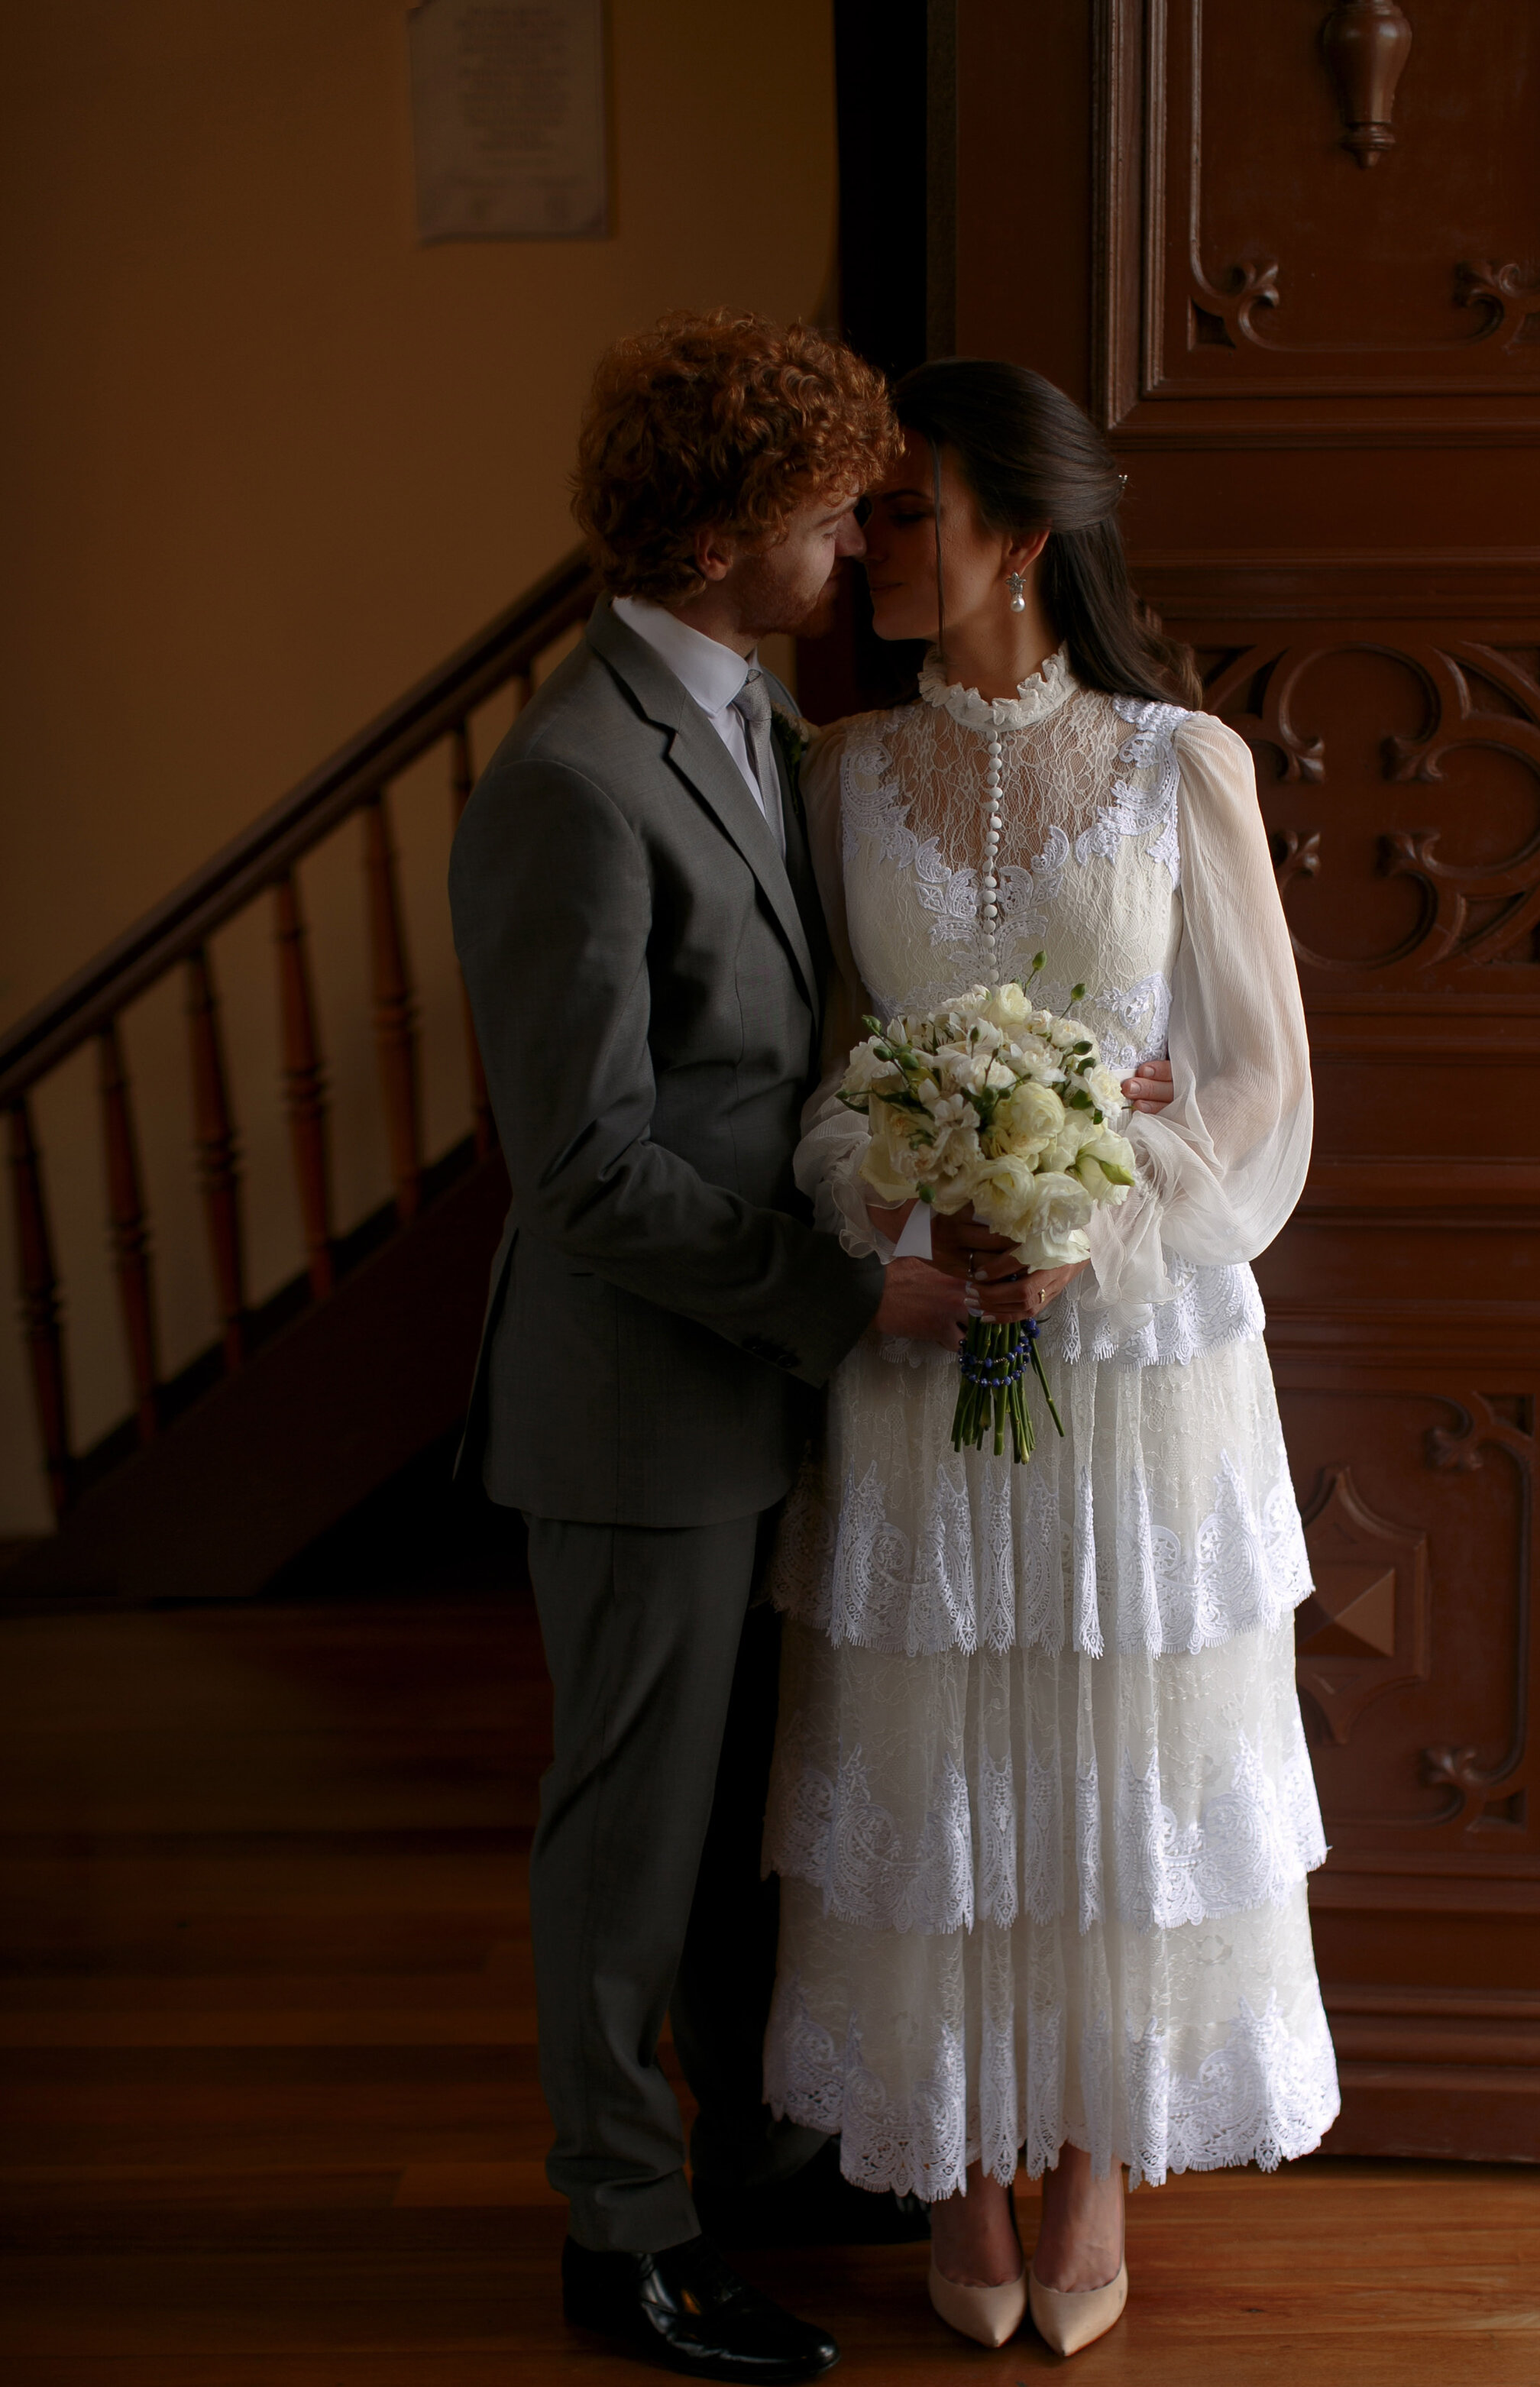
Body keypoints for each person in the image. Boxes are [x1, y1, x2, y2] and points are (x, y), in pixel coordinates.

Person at [761, 360, 1341, 2360]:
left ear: (1016, 530)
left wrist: (1094, 1206)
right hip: (925, 1339)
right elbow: (821, 1084)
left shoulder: (1183, 764)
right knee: (943, 1737)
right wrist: (901, 1198)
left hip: (1145, 1343)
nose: (869, 554)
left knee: (1121, 1733)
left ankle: (1092, 2153)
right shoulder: (828, 776)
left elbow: (1257, 1084)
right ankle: (967, 2157)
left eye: (904, 513)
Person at [449, 312, 975, 2385]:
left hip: (758, 1385)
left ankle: (758, 2154)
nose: (858, 546)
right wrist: (852, 1295)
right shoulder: (570, 784)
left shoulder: (752, 714)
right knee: (632, 1835)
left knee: (758, 1804)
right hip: (636, 1410)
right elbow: (582, 1173)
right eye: (836, 513)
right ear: (739, 526)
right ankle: (621, 2231)